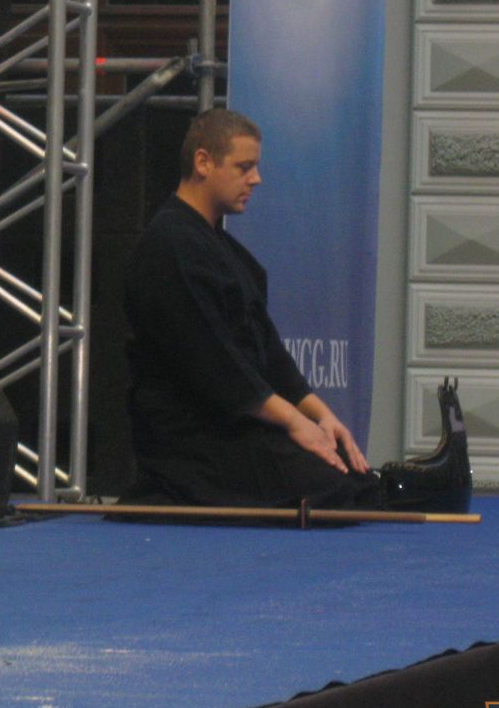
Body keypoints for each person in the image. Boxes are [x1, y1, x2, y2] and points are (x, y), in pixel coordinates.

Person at [122, 108, 380, 510]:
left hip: (236, 428)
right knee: (336, 492)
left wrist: (321, 416)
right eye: (244, 167)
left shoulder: (223, 251)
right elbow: (217, 367)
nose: (255, 179)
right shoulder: (169, 247)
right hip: (194, 445)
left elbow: (269, 354)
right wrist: (295, 422)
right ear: (203, 162)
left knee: (356, 479)